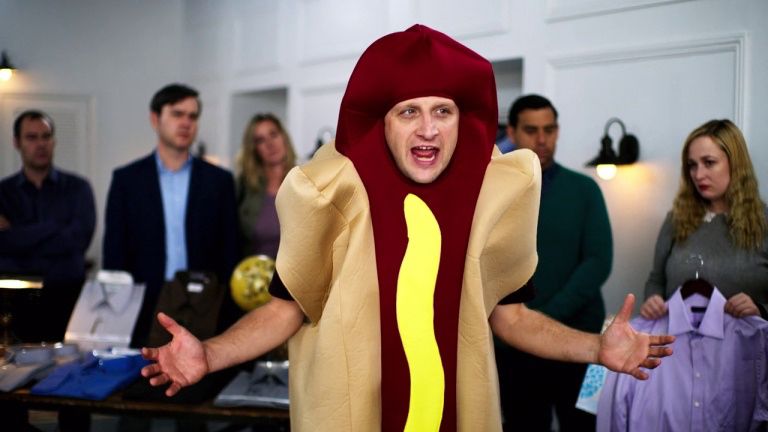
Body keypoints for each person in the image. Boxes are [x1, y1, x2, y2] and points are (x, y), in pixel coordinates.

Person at [140, 25, 674, 432]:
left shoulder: (489, 195)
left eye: (443, 110)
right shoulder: (334, 194)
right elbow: (284, 310)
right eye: (408, 112)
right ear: (383, 121)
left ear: (463, 120)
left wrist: (596, 348)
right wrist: (209, 354)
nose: (427, 128)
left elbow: (511, 319)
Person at [495, 94, 613, 431]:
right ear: (513, 132)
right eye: (531, 130)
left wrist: (540, 318)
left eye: (549, 129)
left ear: (558, 131)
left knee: (584, 426)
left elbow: (598, 262)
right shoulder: (495, 193)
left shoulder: (585, 189)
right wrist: (520, 326)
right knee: (523, 425)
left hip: (581, 340)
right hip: (514, 348)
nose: (542, 139)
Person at [102, 83, 240, 348]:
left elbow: (229, 250)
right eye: (177, 114)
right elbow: (114, 253)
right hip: (144, 305)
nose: (186, 122)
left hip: (203, 304)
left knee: (202, 385)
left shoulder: (219, 180)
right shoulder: (127, 180)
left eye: (192, 116)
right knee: (143, 383)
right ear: (155, 119)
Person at [0, 110, 95, 431]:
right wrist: (54, 230)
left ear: (54, 141)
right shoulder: (3, 193)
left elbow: (77, 241)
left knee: (74, 386)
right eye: (31, 137)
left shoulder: (78, 189)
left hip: (67, 300)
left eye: (45, 137)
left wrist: (17, 234)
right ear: (17, 143)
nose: (40, 144)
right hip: (14, 307)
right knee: (12, 390)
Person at [641, 119, 768, 320]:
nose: (699, 175)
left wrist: (760, 309)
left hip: (744, 346)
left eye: (709, 163)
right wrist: (653, 300)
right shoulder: (677, 219)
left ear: (736, 163)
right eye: (692, 165)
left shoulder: (763, 222)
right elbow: (656, 280)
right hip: (677, 343)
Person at [235, 113, 297, 258]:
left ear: (284, 137)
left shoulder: (306, 182)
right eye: (260, 140)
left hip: (296, 277)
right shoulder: (244, 187)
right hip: (252, 276)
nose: (270, 144)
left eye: (273, 135)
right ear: (254, 149)